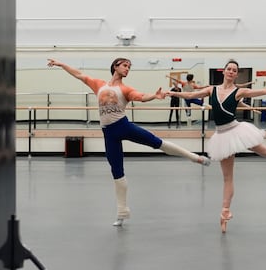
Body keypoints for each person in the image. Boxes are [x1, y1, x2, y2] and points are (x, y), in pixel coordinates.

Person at [47, 58, 211, 227]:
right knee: (117, 172)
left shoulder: (125, 89)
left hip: (124, 126)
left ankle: (194, 157)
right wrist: (60, 64)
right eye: (125, 66)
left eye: (129, 67)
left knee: (157, 143)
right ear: (115, 66)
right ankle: (122, 212)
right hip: (109, 134)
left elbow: (140, 96)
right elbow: (79, 74)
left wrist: (154, 96)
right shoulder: (99, 85)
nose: (127, 69)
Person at [166, 59, 266, 233]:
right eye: (228, 69)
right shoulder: (211, 90)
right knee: (227, 178)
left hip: (237, 130)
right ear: (223, 72)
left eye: (234, 70)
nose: (231, 71)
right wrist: (173, 94)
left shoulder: (239, 92)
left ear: (236, 74)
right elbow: (191, 96)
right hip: (222, 136)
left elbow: (265, 90)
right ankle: (224, 214)